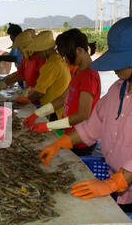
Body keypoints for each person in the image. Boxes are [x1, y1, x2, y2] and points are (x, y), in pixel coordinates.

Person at [39, 17, 132, 221]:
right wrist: (61, 143)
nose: (114, 68)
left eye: (119, 61)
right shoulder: (119, 88)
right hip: (128, 187)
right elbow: (92, 125)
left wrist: (110, 184)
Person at [24, 28, 101, 156]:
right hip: (70, 135)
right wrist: (38, 113)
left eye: (66, 56)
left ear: (79, 50)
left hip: (82, 141)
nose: (65, 60)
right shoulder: (79, 72)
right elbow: (62, 98)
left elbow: (83, 115)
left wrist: (49, 126)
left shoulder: (89, 76)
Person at [18, 30, 71, 119]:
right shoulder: (58, 60)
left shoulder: (50, 65)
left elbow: (39, 93)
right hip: (60, 108)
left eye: (38, 51)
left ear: (45, 50)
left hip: (54, 111)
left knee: (51, 131)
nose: (38, 54)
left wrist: (26, 99)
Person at [0, 30, 46, 97]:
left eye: (20, 47)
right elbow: (20, 74)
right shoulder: (26, 57)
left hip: (40, 93)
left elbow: (44, 79)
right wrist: (5, 82)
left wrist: (32, 89)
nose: (19, 50)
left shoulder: (40, 57)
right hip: (31, 92)